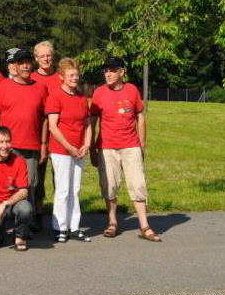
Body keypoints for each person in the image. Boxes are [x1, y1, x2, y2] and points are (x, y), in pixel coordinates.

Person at [90, 57, 161, 242]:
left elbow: (140, 118)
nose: (108, 73)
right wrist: (91, 149)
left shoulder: (132, 90)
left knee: (138, 185)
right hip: (107, 148)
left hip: (131, 146)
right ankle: (112, 222)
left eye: (112, 70)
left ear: (122, 72)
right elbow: (92, 122)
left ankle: (144, 226)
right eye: (105, 70)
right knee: (110, 186)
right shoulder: (99, 93)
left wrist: (141, 146)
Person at [0, 48, 47, 230]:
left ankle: (25, 224)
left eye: (28, 62)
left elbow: (44, 119)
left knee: (29, 185)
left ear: (32, 64)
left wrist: (44, 144)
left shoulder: (40, 88)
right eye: (21, 63)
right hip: (7, 146)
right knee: (4, 184)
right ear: (14, 65)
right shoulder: (4, 86)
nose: (25, 66)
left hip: (31, 146)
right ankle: (2, 222)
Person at [46, 58, 92, 242]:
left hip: (79, 150)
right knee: (63, 189)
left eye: (76, 74)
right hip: (61, 149)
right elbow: (52, 126)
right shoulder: (56, 96)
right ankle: (60, 228)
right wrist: (68, 147)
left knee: (75, 189)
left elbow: (87, 123)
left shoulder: (81, 97)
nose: (75, 78)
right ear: (61, 77)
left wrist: (86, 144)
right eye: (70, 75)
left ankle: (74, 226)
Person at [30, 40, 59, 225]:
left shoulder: (61, 77)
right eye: (42, 56)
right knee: (37, 176)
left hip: (58, 134)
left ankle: (59, 213)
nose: (46, 59)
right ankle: (37, 212)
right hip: (36, 132)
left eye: (48, 55)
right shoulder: (31, 78)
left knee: (60, 176)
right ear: (36, 58)